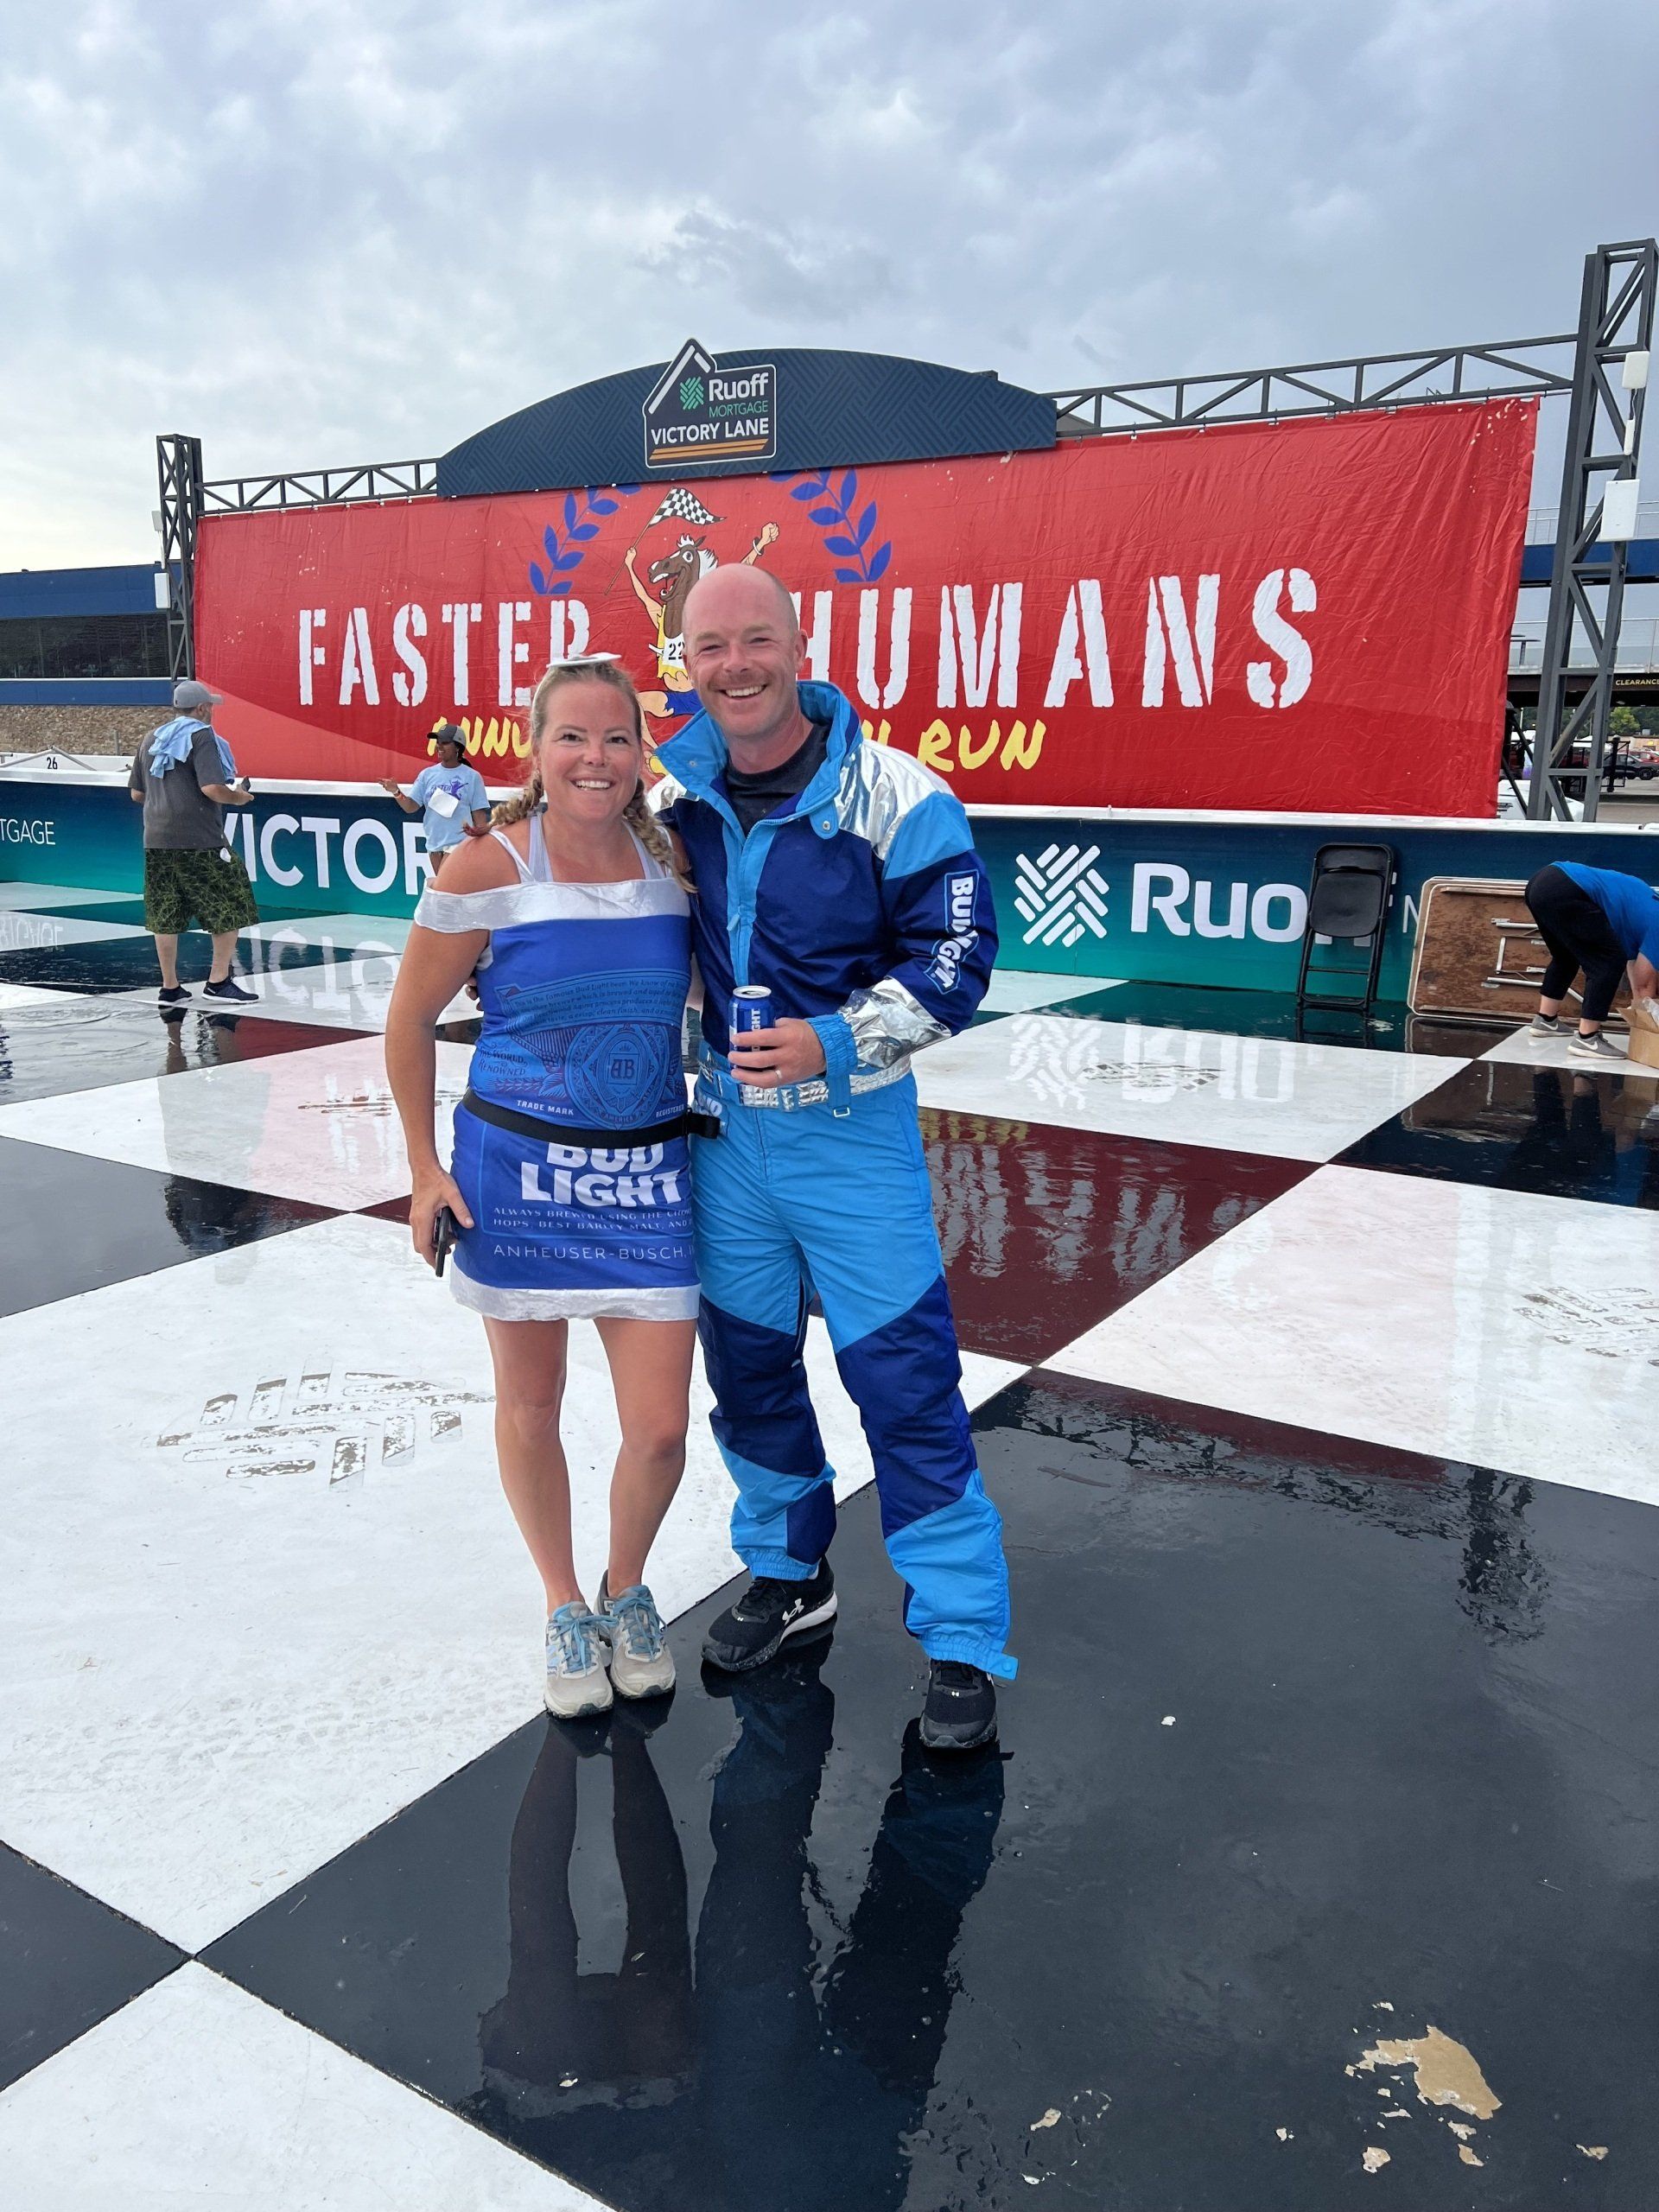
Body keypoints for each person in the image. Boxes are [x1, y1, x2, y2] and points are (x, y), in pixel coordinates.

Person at [652, 563, 1015, 1752]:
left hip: (851, 1140)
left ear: (799, 646)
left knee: (904, 1386)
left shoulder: (899, 796)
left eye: (756, 641)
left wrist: (838, 1039)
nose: (735, 667)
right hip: (723, 1140)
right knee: (749, 1372)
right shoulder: (675, 799)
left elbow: (961, 958)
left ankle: (961, 1636)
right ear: (686, 661)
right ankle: (789, 1569)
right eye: (711, 648)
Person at [385, 658, 699, 1719]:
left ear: (643, 754)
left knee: (659, 1428)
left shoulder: (674, 862)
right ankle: (566, 1602)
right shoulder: (486, 863)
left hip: (649, 1174)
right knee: (532, 1403)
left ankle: (625, 1586)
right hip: (516, 1177)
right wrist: (425, 1169)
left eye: (618, 739)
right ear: (535, 745)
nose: (596, 759)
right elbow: (408, 1019)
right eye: (573, 737)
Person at [126, 677, 258, 1006]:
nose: (211, 711)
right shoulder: (201, 736)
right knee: (231, 903)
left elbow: (137, 793)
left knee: (165, 912)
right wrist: (240, 797)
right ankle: (218, 981)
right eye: (209, 706)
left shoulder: (149, 739)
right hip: (200, 839)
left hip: (156, 840)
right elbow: (213, 788)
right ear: (201, 708)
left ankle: (170, 987)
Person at [1524, 861, 1659, 1059]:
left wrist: (1641, 1009)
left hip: (1543, 881)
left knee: (1566, 955)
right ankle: (1588, 1039)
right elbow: (1644, 986)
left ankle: (1546, 1020)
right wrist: (1651, 1027)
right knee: (1608, 961)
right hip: (1567, 888)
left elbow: (1635, 970)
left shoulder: (1644, 913)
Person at [380, 723, 491, 875]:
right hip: (434, 845)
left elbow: (479, 817)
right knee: (448, 894)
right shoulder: (427, 775)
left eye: (445, 743)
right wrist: (396, 791)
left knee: (443, 886)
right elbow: (411, 807)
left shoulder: (472, 777)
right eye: (438, 742)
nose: (439, 746)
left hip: (459, 843)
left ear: (458, 747)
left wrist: (482, 847)